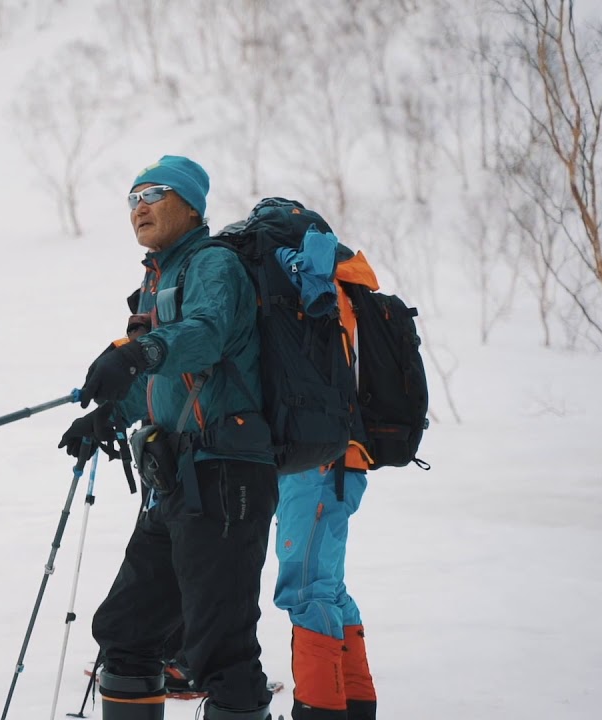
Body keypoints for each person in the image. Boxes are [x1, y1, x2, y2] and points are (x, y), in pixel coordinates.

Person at [58, 155, 278, 720]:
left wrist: (138, 352)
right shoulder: (159, 278)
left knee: (220, 651)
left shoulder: (213, 267)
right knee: (127, 631)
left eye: (154, 194)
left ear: (190, 205)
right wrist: (108, 415)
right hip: (176, 480)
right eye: (132, 198)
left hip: (226, 476)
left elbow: (202, 337)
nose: (140, 207)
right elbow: (160, 376)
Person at [274, 246, 381, 720]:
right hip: (342, 462)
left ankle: (321, 710)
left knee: (305, 591)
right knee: (328, 589)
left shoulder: (314, 285)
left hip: (318, 462)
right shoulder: (346, 286)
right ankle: (354, 706)